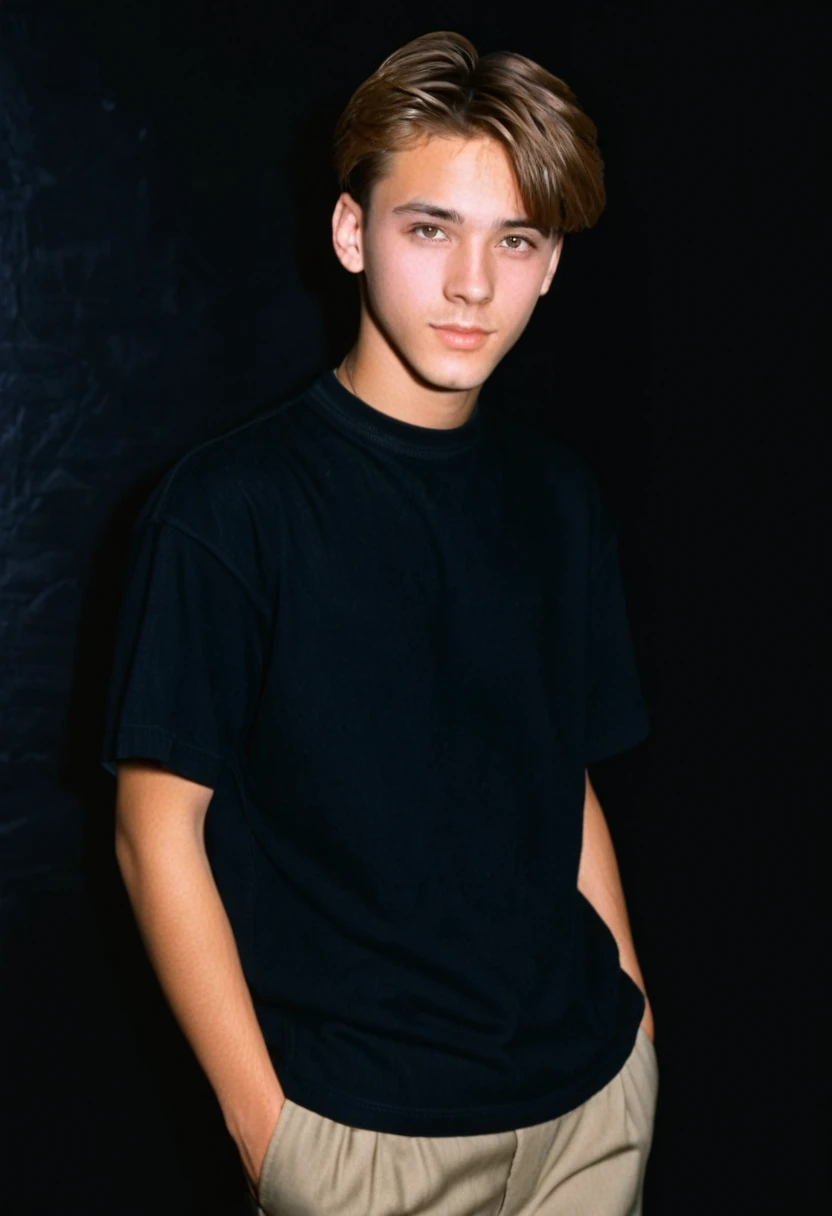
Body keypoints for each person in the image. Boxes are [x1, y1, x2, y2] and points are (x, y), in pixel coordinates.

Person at [101, 29, 657, 1216]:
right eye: (428, 229)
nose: (472, 284)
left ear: (551, 263)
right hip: (359, 1141)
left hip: (588, 1111)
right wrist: (271, 1138)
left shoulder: (559, 498)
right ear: (352, 233)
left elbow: (565, 776)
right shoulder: (226, 509)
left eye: (516, 239)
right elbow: (156, 837)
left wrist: (636, 1020)